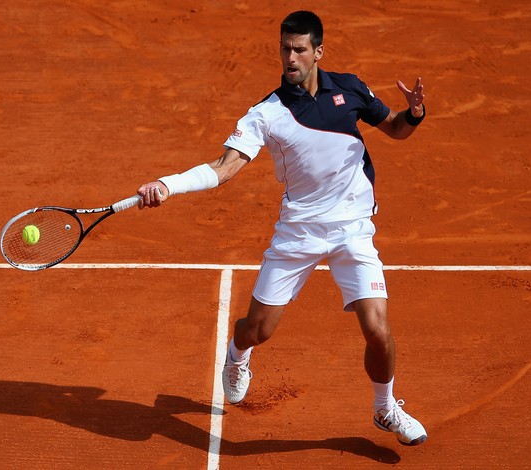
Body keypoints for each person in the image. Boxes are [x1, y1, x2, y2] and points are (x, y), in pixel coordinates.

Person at [137, 10, 427, 446]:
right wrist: (167, 184)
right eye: (284, 49)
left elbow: (396, 130)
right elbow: (223, 168)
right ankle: (238, 356)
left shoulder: (350, 88)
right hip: (298, 233)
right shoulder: (267, 114)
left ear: (318, 52)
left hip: (353, 229)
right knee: (258, 330)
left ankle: (385, 409)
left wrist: (416, 111)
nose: (289, 58)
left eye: (298, 50)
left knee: (379, 331)